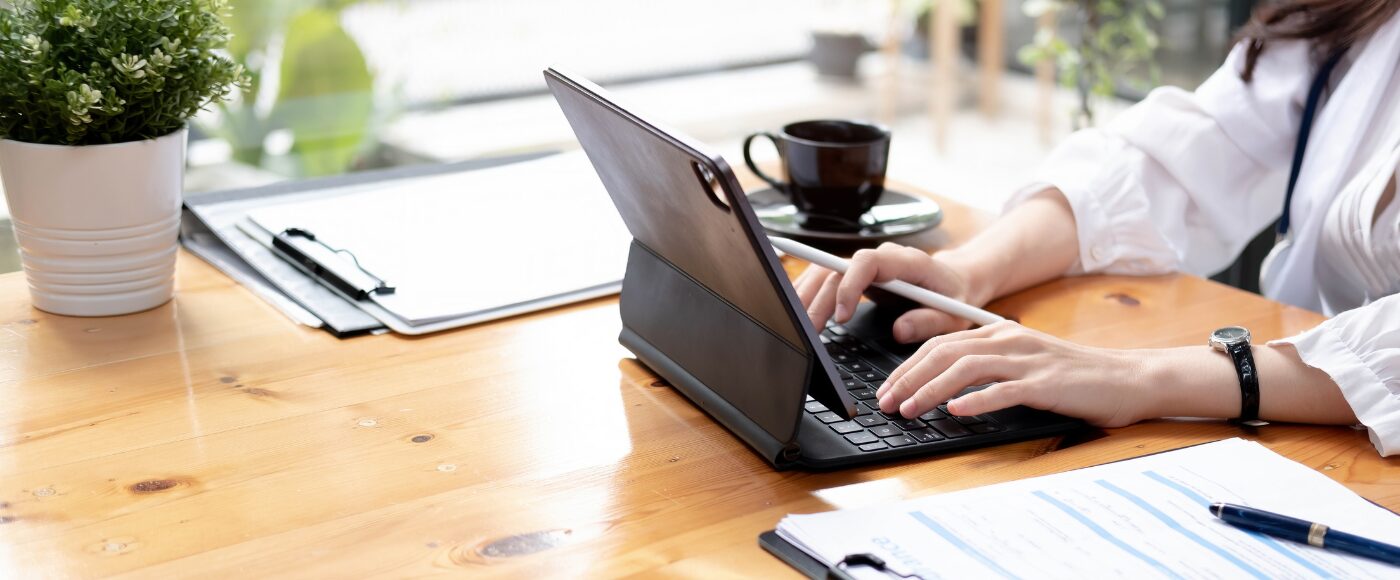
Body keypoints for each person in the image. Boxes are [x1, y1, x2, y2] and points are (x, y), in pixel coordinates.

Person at [795, 0, 1400, 455]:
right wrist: (967, 272)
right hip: (1298, 438)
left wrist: (1137, 376)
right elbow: (1178, 159)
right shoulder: (1359, 17)